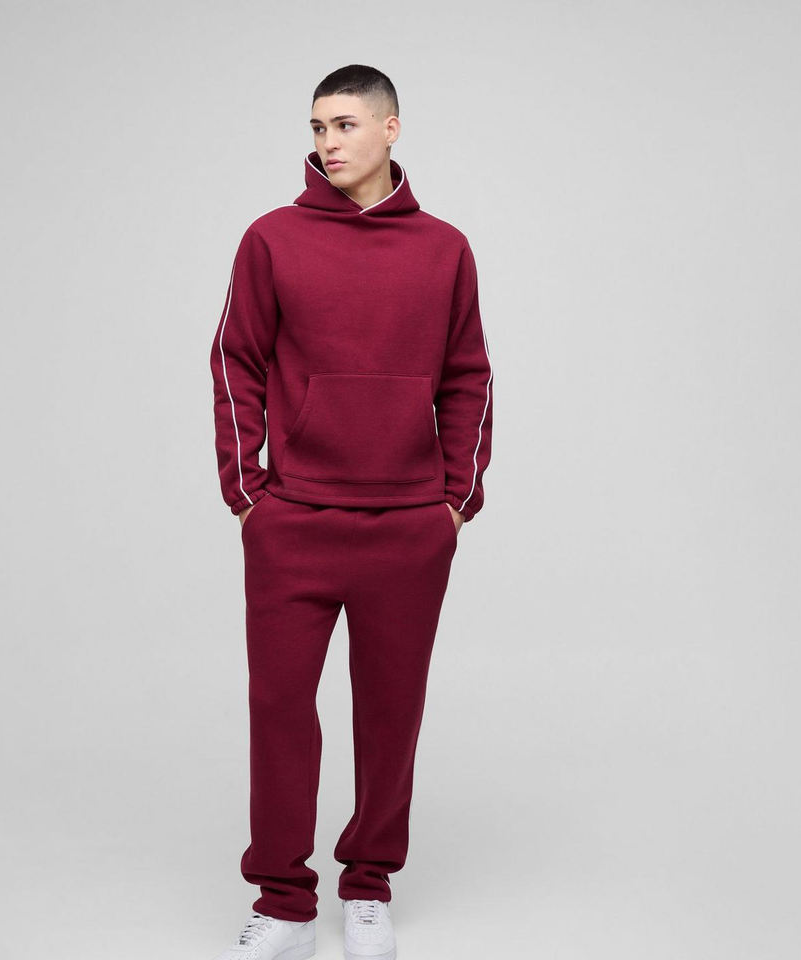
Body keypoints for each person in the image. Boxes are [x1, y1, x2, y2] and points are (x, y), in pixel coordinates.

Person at [208, 64, 493, 960]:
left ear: (391, 128)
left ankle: (368, 887)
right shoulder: (271, 239)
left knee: (390, 713)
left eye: (344, 125)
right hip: (294, 520)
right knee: (279, 708)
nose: (327, 143)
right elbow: (235, 361)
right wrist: (247, 494)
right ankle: (284, 901)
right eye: (317, 127)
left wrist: (455, 501)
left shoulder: (445, 249)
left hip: (407, 524)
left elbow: (468, 375)